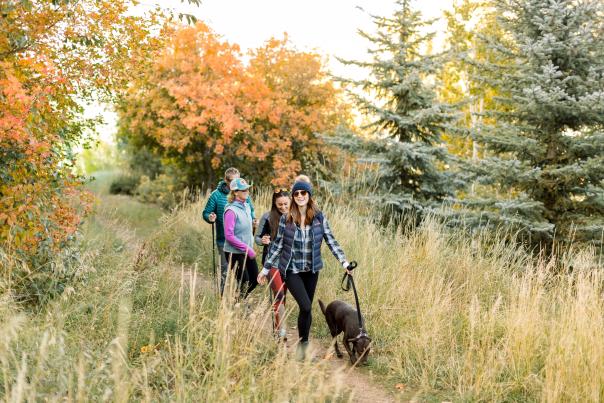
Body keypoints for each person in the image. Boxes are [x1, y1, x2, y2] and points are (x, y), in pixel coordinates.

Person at [257, 178, 352, 360]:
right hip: (292, 270)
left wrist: (345, 263)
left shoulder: (318, 217)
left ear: (309, 195)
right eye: (297, 193)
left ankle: (303, 348)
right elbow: (277, 246)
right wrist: (265, 269)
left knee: (305, 310)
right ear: (293, 196)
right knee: (306, 306)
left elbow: (331, 240)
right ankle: (303, 347)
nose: (300, 196)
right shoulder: (287, 218)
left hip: (311, 270)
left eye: (303, 193)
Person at [203, 168, 256, 294]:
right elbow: (206, 212)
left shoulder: (244, 195)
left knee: (244, 276)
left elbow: (250, 210)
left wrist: (254, 219)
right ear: (226, 180)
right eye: (232, 180)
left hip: (243, 242)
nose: (236, 182)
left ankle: (238, 298)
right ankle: (222, 299)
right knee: (225, 271)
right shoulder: (216, 195)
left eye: (238, 179)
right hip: (224, 240)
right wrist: (210, 217)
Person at [254, 188, 290, 340]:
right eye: (279, 204)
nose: (283, 207)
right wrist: (262, 241)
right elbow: (256, 237)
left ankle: (278, 326)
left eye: (285, 204)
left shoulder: (294, 216)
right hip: (271, 262)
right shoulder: (267, 217)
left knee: (284, 296)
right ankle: (281, 330)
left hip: (288, 263)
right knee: (279, 294)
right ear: (274, 204)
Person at [223, 177, 259, 299]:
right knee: (244, 281)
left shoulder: (247, 207)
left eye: (247, 189)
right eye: (243, 190)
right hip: (234, 252)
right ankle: (238, 305)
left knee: (255, 279)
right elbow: (229, 236)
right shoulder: (231, 211)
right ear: (235, 192)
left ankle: (238, 300)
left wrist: (254, 225)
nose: (246, 192)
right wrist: (247, 249)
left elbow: (245, 230)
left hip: (247, 249)